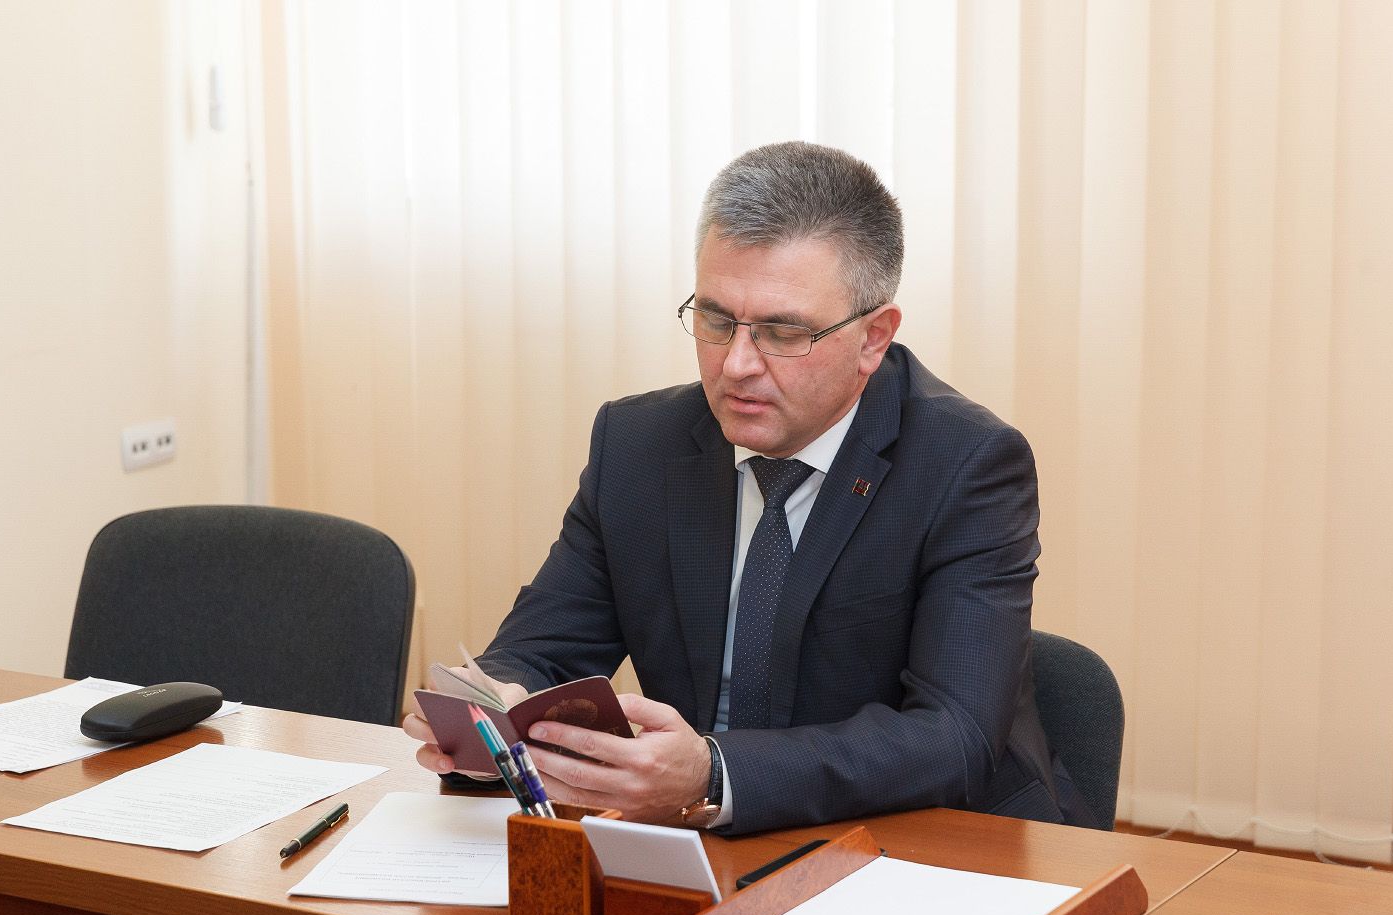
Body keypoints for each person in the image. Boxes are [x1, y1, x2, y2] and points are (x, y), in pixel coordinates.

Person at [403, 141, 1095, 835]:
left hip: (935, 844)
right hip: (703, 841)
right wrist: (492, 709)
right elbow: (547, 649)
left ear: (873, 338)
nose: (736, 364)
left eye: (781, 332)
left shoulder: (966, 464)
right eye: (715, 320)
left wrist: (715, 773)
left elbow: (954, 736)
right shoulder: (638, 446)